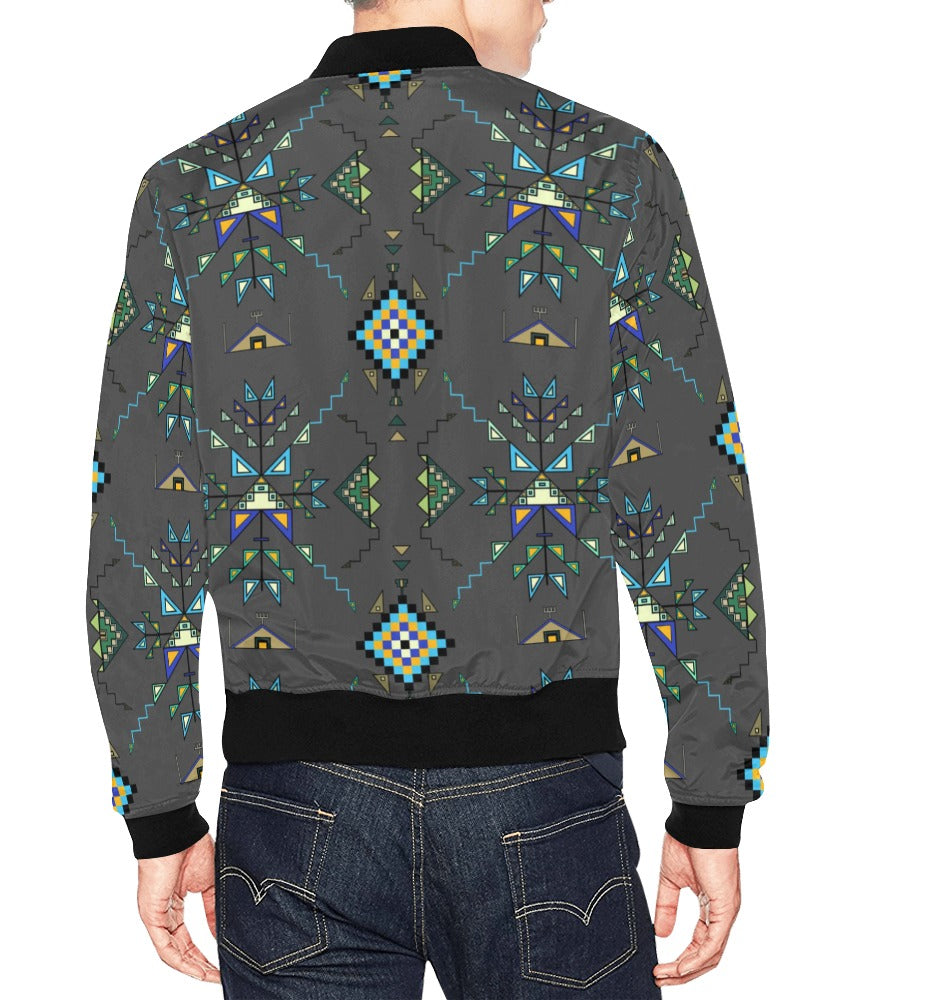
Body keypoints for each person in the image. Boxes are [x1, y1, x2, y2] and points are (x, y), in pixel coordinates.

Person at [84, 1, 770, 996]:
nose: (546, 8)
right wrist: (711, 796)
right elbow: (686, 495)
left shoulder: (192, 190)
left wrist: (158, 809)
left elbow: (143, 517)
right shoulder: (610, 170)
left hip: (291, 807)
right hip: (546, 797)